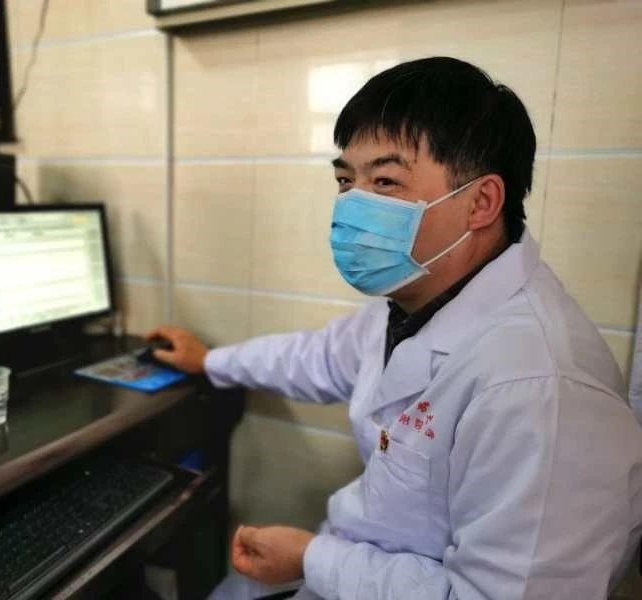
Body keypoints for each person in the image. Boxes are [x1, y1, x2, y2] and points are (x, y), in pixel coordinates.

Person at [147, 57, 642, 599]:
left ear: (481, 202)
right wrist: (209, 361)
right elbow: (317, 358)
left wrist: (313, 558)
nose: (353, 206)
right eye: (345, 180)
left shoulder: (540, 387)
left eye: (385, 181)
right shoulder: (417, 298)